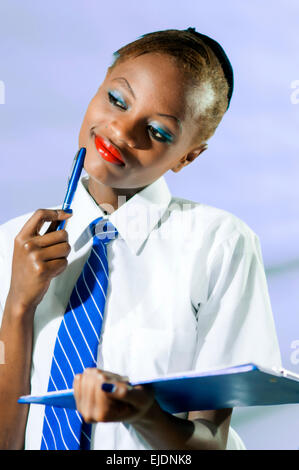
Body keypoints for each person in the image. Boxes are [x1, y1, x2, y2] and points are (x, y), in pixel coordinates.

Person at [0, 28, 282, 450]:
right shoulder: (10, 241)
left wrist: (142, 413)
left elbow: (211, 444)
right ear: (102, 82)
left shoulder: (220, 245)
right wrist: (19, 305)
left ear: (188, 156)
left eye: (159, 131)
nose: (122, 131)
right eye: (117, 100)